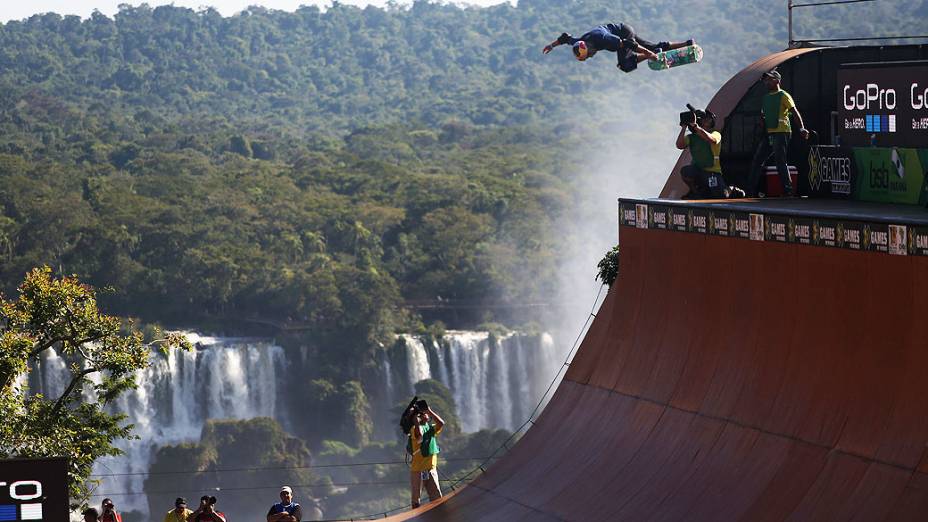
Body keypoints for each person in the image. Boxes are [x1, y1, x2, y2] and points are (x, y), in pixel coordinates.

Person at [745, 69, 810, 197]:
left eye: (769, 79)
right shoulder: (766, 98)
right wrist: (762, 122)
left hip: (781, 132)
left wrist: (801, 128)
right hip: (769, 134)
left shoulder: (783, 95)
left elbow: (794, 112)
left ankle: (788, 190)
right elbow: (764, 115)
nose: (766, 82)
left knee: (780, 160)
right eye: (765, 80)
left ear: (777, 81)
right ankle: (750, 190)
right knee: (758, 160)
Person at [543, 23, 693, 72]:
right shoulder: (581, 42)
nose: (591, 56)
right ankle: (687, 44)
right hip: (623, 29)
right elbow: (565, 38)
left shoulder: (604, 39)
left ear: (588, 48)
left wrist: (649, 55)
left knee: (624, 65)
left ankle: (654, 52)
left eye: (588, 55)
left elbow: (629, 44)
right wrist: (551, 45)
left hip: (624, 33)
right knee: (654, 46)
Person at [676, 108, 727, 199]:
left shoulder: (716, 133)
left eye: (708, 118)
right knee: (685, 171)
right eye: (704, 118)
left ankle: (732, 190)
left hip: (712, 171)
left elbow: (711, 139)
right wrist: (684, 127)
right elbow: (679, 145)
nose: (707, 120)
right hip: (699, 170)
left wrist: (696, 128)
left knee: (721, 195)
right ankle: (696, 192)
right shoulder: (692, 137)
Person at [407, 403, 445, 509]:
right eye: (422, 414)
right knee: (416, 500)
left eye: (425, 414)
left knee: (437, 498)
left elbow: (441, 423)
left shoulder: (431, 429)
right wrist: (415, 419)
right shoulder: (414, 429)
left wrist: (429, 410)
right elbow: (420, 435)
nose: (425, 415)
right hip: (418, 471)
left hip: (430, 469)